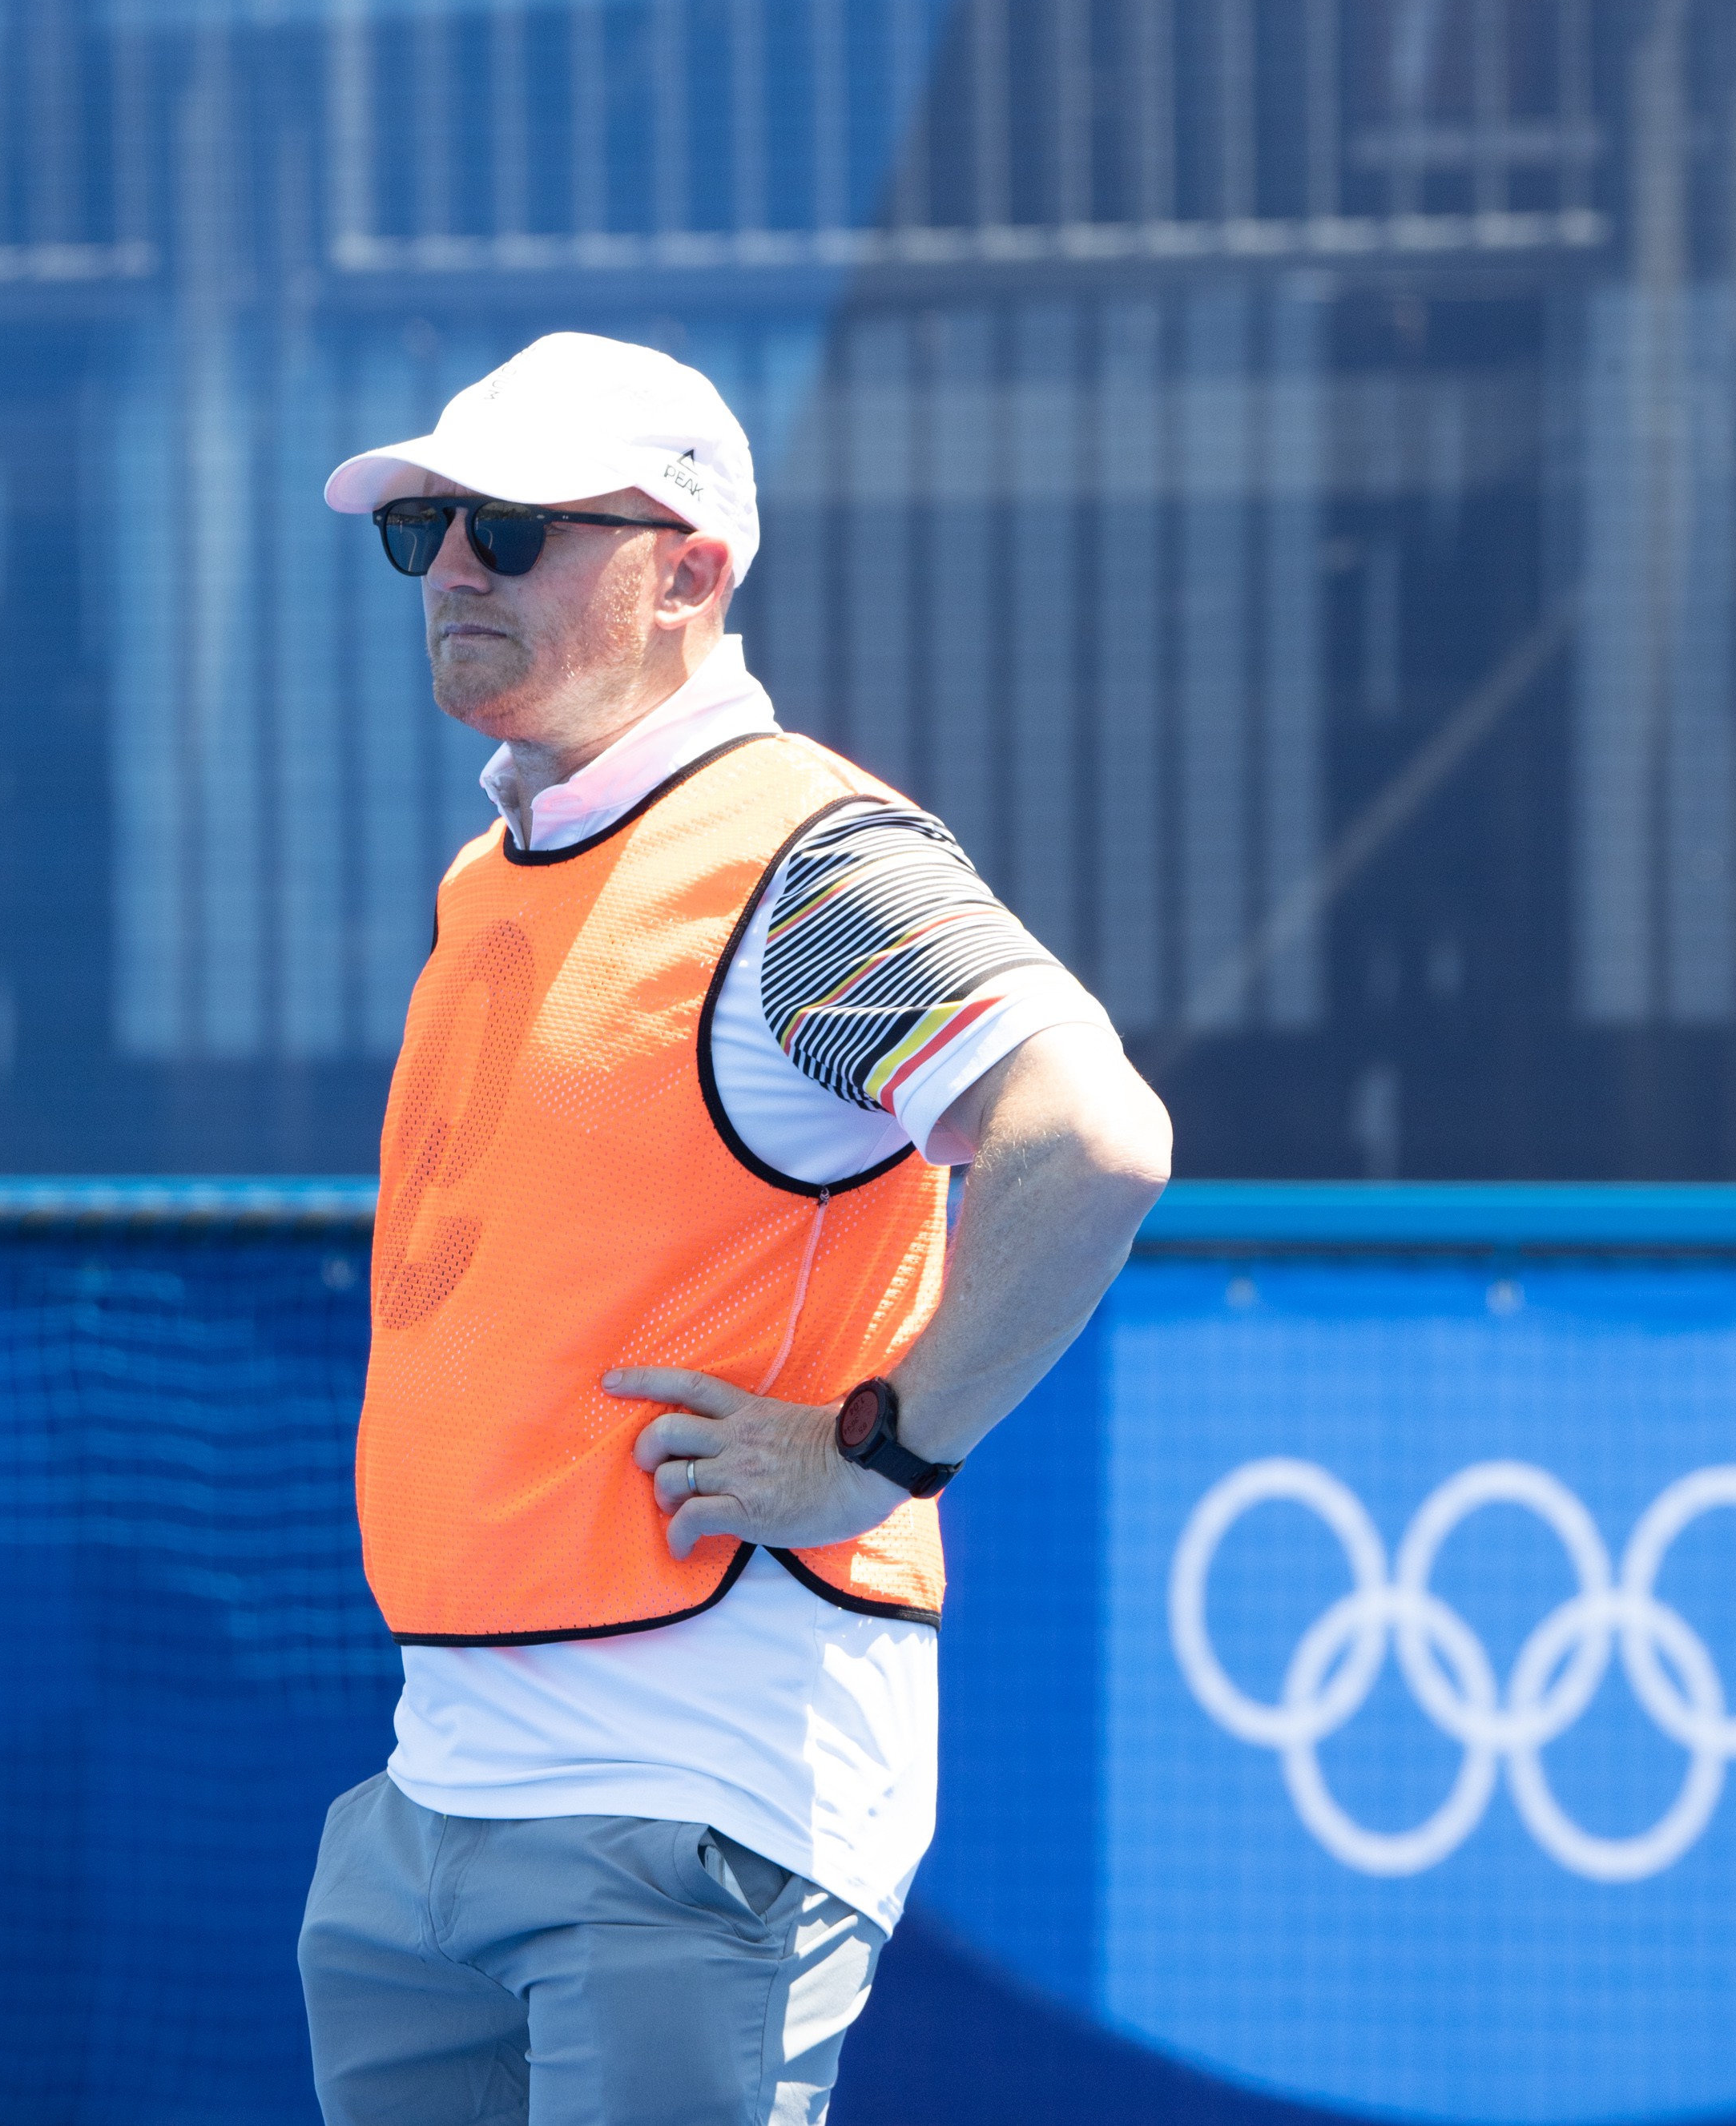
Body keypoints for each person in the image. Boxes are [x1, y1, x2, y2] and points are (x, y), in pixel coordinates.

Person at [296, 331, 1170, 2126]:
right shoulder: (508, 863)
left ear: (690, 568)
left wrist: (882, 1448)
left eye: (516, 528)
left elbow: (1092, 1139)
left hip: (690, 1794)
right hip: (438, 1791)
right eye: (432, 527)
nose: (456, 561)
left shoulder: (798, 859)